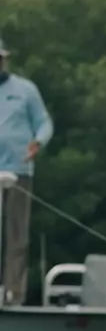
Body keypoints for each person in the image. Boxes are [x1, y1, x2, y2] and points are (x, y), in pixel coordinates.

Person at [0, 38, 54, 305]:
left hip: (18, 170)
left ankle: (14, 293)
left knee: (17, 235)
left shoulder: (25, 89)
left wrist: (38, 142)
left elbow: (44, 122)